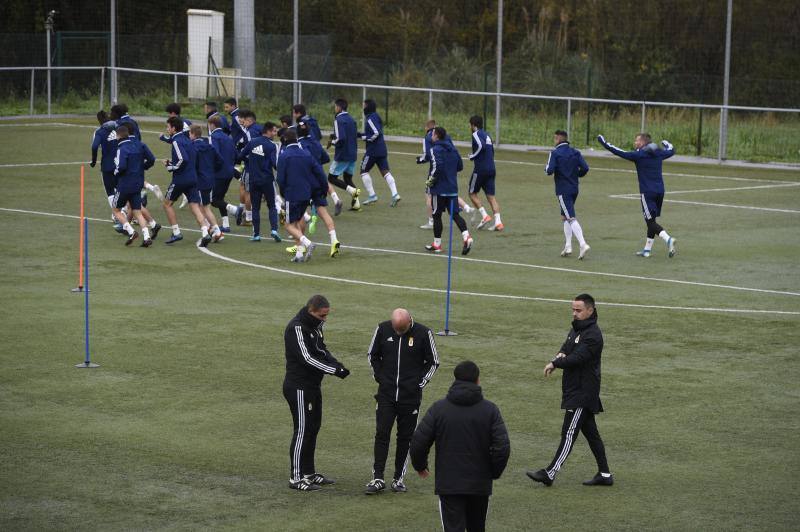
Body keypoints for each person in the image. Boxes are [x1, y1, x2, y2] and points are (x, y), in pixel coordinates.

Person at [410, 361, 510, 532]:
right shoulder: (490, 410)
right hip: (479, 484)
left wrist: (420, 466)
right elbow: (502, 447)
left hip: (449, 484)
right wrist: (493, 472)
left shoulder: (439, 409)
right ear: (478, 380)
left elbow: (419, 442)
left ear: (455, 379)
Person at [527, 293, 613, 488]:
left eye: (578, 310)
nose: (574, 313)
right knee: (592, 434)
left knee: (569, 432)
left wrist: (555, 362)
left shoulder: (593, 335)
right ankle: (605, 474)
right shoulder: (577, 329)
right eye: (573, 309)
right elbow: (567, 347)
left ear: (590, 311)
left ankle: (550, 473)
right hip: (575, 389)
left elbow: (577, 358)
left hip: (583, 393)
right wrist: (561, 354)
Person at [365, 309, 440, 495]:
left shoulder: (424, 333)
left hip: (410, 397)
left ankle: (398, 479)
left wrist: (419, 383)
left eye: (402, 330)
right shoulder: (382, 329)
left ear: (409, 322)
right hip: (386, 395)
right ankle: (378, 478)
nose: (398, 333)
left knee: (405, 438)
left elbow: (433, 362)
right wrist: (380, 377)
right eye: (395, 330)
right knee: (382, 434)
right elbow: (372, 355)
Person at [283, 294, 351, 491]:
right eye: (322, 316)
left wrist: (336, 363)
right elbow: (306, 358)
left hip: (312, 386)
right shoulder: (296, 328)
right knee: (302, 430)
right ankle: (295, 478)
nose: (324, 320)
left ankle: (308, 473)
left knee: (313, 429)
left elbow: (321, 351)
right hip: (298, 387)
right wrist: (333, 370)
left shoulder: (315, 327)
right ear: (311, 310)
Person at [597, 133, 677, 258]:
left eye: (636, 141)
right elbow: (671, 150)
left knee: (650, 222)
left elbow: (618, 151)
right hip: (660, 191)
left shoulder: (639, 155)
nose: (635, 143)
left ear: (642, 143)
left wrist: (603, 142)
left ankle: (668, 239)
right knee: (652, 220)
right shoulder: (659, 153)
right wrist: (666, 143)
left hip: (647, 192)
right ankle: (647, 250)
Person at [277, 130, 328, 263]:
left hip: (292, 194)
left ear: (285, 140)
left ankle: (308, 243)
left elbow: (280, 179)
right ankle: (299, 254)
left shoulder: (284, 155)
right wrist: (324, 188)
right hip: (306, 194)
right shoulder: (306, 154)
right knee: (296, 222)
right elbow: (320, 173)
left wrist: (283, 193)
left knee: (288, 225)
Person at [161, 116, 212, 247]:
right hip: (192, 178)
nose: (167, 129)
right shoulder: (188, 140)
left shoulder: (177, 141)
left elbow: (183, 159)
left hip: (180, 179)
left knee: (167, 204)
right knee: (194, 205)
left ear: (173, 128)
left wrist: (169, 166)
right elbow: (189, 158)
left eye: (168, 127)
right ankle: (205, 232)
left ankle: (176, 232)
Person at [417, 120, 476, 229]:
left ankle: (431, 221)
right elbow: (454, 152)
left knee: (429, 194)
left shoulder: (428, 138)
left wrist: (419, 161)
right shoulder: (446, 136)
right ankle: (467, 208)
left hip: (436, 170)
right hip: (449, 171)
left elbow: (427, 156)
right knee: (449, 193)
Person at [425, 126, 473, 255]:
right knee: (455, 215)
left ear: (437, 136)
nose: (431, 136)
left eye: (433, 134)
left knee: (436, 215)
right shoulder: (453, 149)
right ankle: (466, 237)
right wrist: (450, 173)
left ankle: (437, 244)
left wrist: (430, 182)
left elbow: (437, 167)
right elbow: (460, 166)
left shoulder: (435, 149)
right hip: (452, 188)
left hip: (440, 189)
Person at [112, 125, 161, 247]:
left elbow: (122, 167)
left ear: (118, 135)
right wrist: (142, 168)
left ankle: (131, 231)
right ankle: (146, 236)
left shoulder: (121, 148)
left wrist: (116, 172)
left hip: (125, 184)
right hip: (138, 183)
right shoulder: (140, 144)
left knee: (116, 209)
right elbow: (151, 159)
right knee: (137, 211)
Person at [298, 121, 341, 257]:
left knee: (300, 213)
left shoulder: (300, 145)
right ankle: (334, 240)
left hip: (306, 182)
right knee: (324, 212)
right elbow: (326, 158)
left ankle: (301, 246)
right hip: (319, 180)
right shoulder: (316, 142)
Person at [545, 130, 591, 259]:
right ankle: (568, 246)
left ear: (559, 139)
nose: (554, 140)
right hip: (574, 188)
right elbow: (585, 168)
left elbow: (549, 170)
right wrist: (577, 174)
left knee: (570, 217)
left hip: (562, 190)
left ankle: (583, 243)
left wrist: (547, 170)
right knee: (564, 216)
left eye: (555, 138)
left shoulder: (555, 153)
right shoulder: (575, 152)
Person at [239, 121, 281, 242]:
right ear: (267, 131)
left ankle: (256, 235)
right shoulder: (272, 146)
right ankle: (274, 230)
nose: (275, 133)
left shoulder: (252, 142)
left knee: (255, 207)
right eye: (274, 131)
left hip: (254, 179)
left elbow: (241, 156)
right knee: (272, 205)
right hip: (267, 180)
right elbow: (275, 164)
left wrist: (250, 159)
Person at [358, 99, 401, 207]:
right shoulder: (376, 116)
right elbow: (374, 132)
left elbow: (376, 133)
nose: (362, 107)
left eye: (364, 105)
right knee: (385, 172)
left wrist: (364, 137)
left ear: (367, 107)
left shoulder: (370, 119)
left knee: (363, 171)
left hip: (373, 151)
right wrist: (361, 135)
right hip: (382, 149)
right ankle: (395, 194)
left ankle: (372, 195)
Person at [189, 125, 224, 242]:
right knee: (206, 207)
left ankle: (215, 230)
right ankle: (213, 229)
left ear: (193, 134)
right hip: (210, 179)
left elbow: (192, 164)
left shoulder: (193, 147)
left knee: (198, 207)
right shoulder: (210, 146)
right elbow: (220, 161)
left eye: (189, 134)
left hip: (199, 181)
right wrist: (211, 170)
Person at [467, 115, 503, 231]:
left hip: (481, 169)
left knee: (472, 193)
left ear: (473, 125)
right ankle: (498, 222)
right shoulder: (487, 135)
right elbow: (490, 150)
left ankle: (485, 216)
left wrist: (473, 156)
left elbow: (481, 146)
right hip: (491, 168)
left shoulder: (475, 134)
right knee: (491, 197)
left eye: (470, 125)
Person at [208, 114, 241, 232]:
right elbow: (236, 155)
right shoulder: (228, 137)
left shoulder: (214, 136)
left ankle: (234, 210)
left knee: (213, 200)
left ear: (212, 125)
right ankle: (226, 225)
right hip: (229, 171)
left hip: (219, 172)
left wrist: (214, 167)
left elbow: (214, 152)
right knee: (220, 198)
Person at [327, 98, 361, 211]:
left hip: (342, 154)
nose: (335, 109)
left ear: (339, 108)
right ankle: (356, 203)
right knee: (348, 178)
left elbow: (341, 138)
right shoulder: (351, 119)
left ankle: (352, 191)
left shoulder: (338, 119)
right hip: (352, 153)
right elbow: (352, 135)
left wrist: (332, 142)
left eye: (335, 107)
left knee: (331, 178)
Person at [90, 110, 121, 227]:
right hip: (120, 164)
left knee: (110, 191)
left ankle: (117, 214)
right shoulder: (118, 128)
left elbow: (94, 146)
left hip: (107, 166)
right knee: (121, 188)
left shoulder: (99, 132)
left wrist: (93, 161)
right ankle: (125, 212)